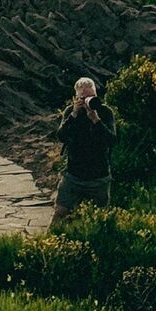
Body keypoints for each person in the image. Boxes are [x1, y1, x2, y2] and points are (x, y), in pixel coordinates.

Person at [52, 76, 116, 225]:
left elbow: (112, 140)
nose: (89, 101)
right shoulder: (71, 112)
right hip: (74, 175)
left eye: (92, 97)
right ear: (77, 98)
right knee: (60, 213)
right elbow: (61, 136)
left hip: (99, 176)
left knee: (100, 219)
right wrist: (74, 114)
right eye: (84, 98)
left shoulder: (105, 112)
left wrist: (96, 120)